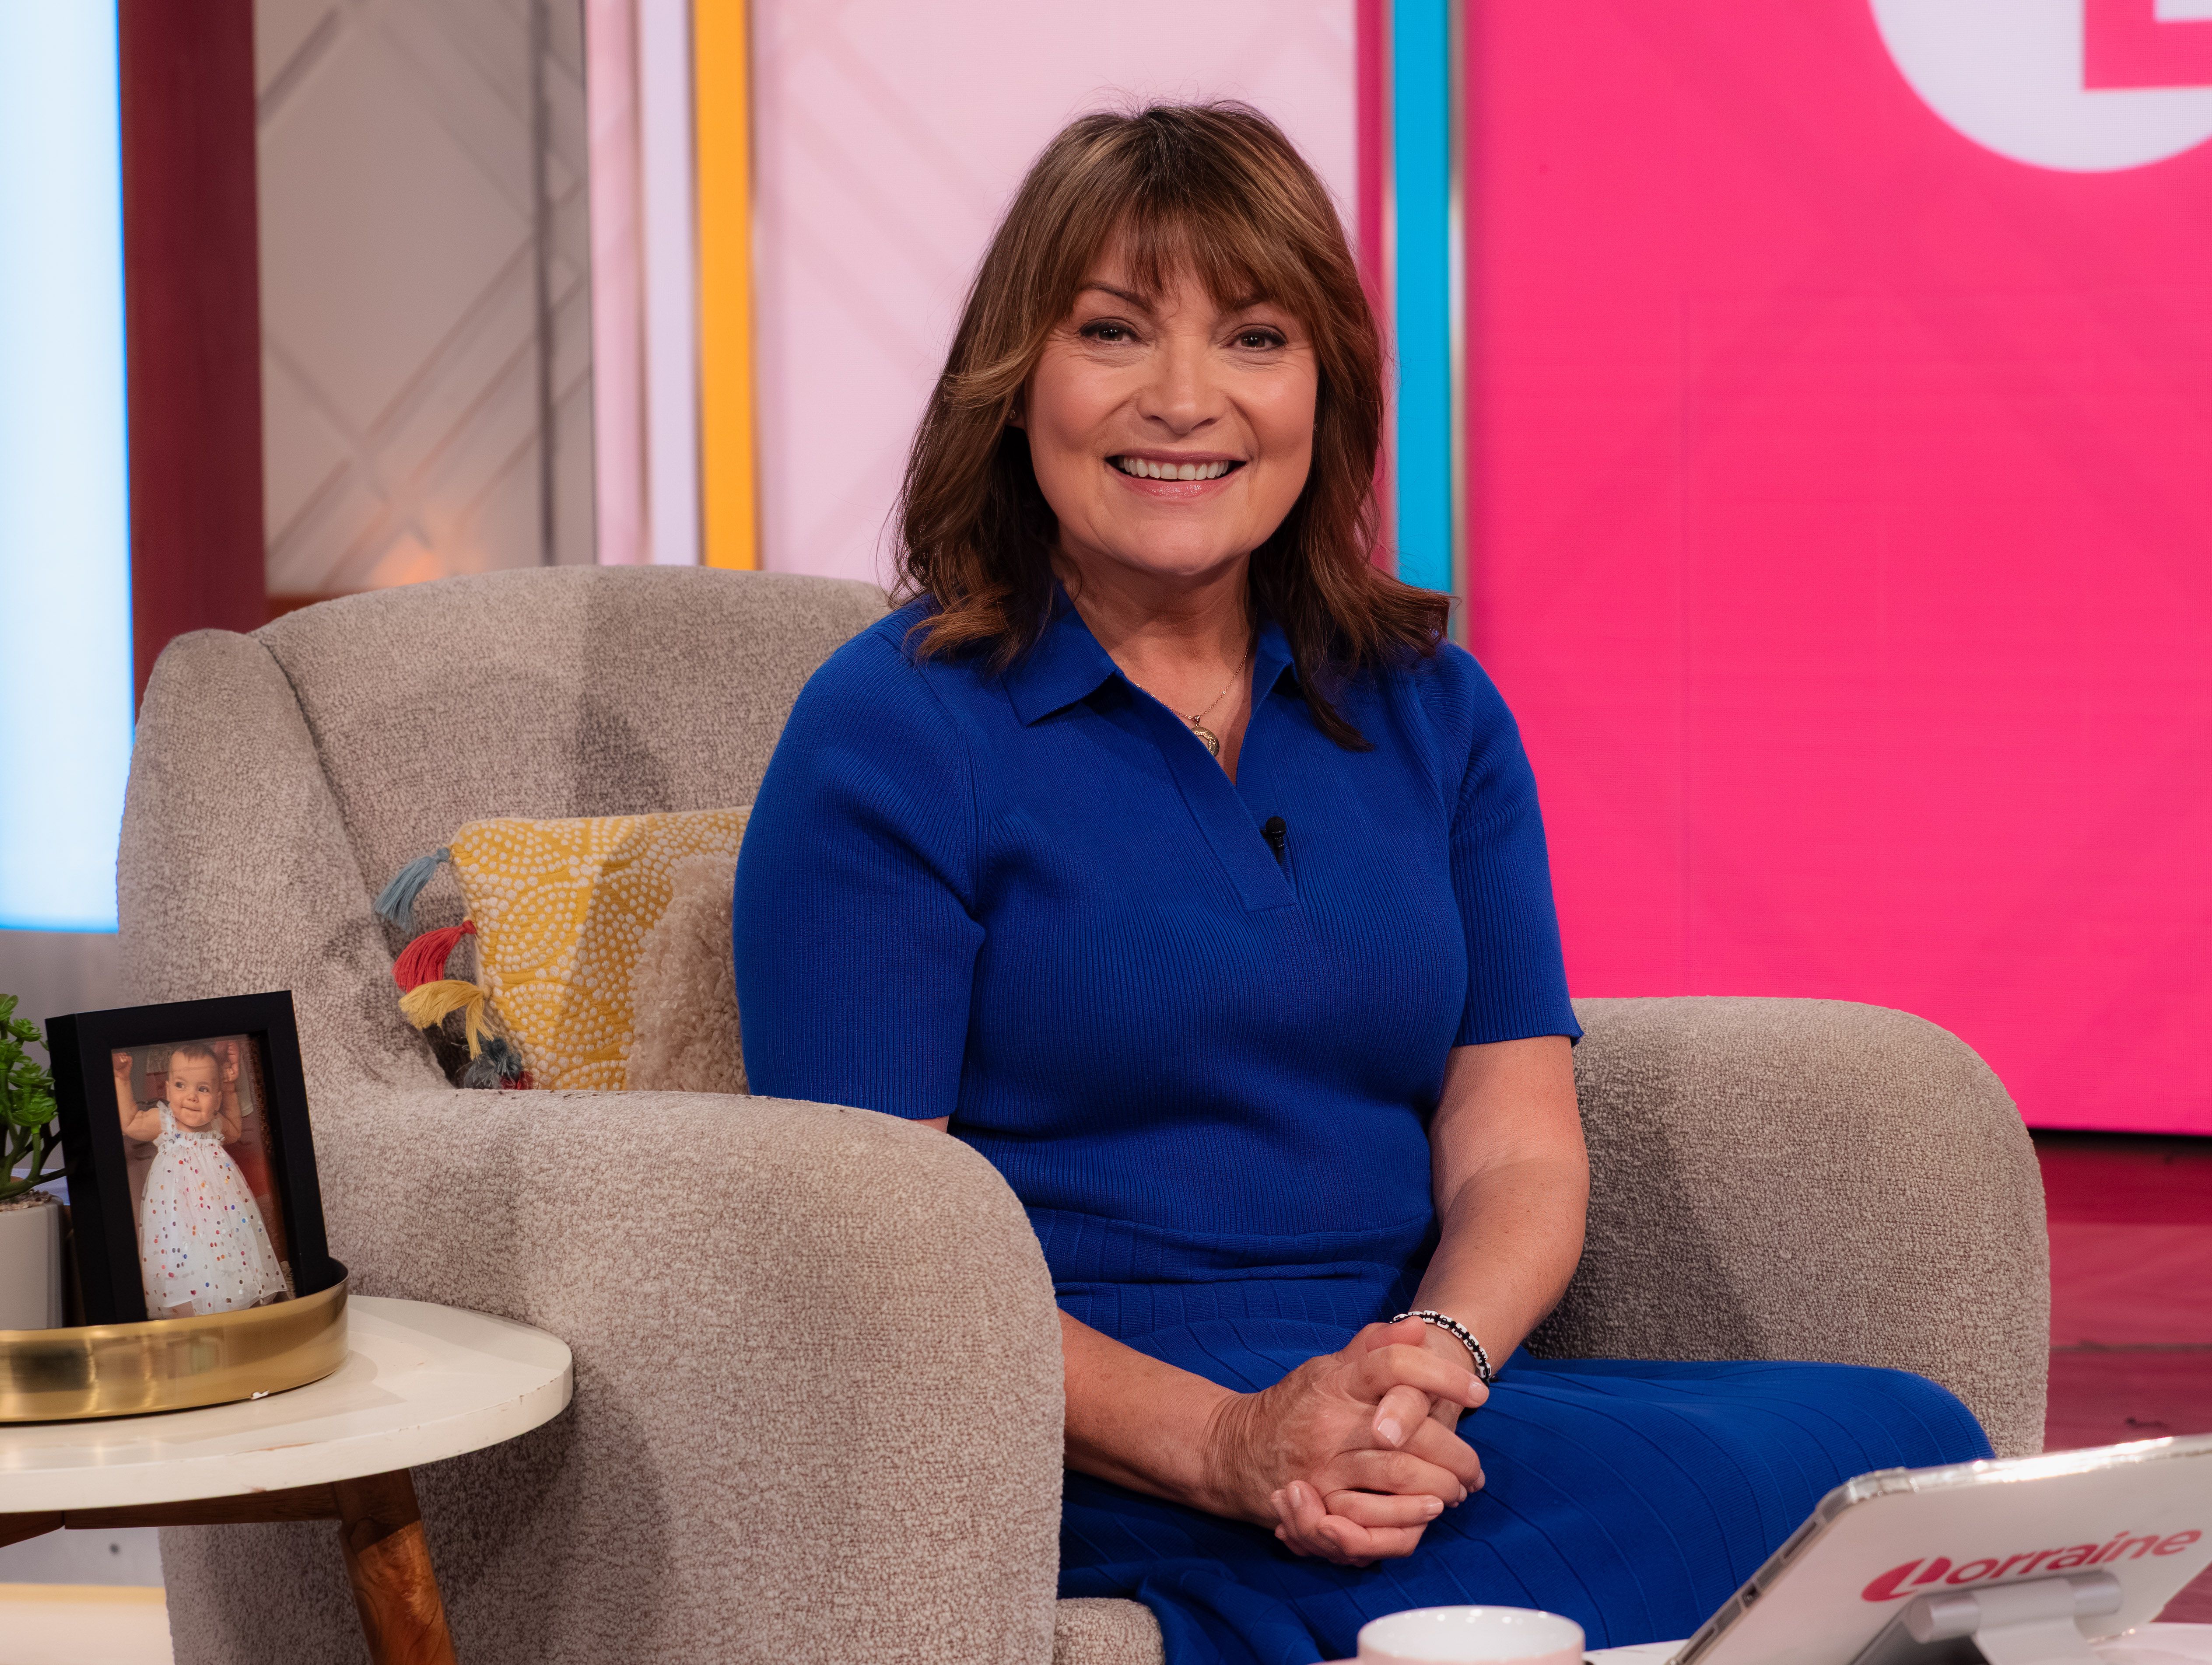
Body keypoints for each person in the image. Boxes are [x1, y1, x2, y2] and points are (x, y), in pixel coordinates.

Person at [733, 104, 1990, 1664]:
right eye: (1114, 333)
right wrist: (1230, 1446)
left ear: (1325, 389)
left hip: (1403, 1386)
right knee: (1618, 1548)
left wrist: (1432, 1361)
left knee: (1910, 1454)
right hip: (1084, 1406)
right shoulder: (893, 729)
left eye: (1254, 338)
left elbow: (1516, 1146)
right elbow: (861, 1257)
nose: (1183, 402)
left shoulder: (1428, 707)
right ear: (1017, 383)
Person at [114, 1040, 288, 1318]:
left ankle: (230, 1302)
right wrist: (122, 1079)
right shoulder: (164, 1121)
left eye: (203, 1089)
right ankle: (188, 1312)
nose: (191, 1097)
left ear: (217, 1098)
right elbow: (131, 1122)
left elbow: (233, 1132)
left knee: (228, 1250)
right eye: (181, 1086)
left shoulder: (215, 1122)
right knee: (183, 1258)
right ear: (168, 1089)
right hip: (178, 1214)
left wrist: (230, 1088)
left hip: (222, 1211)